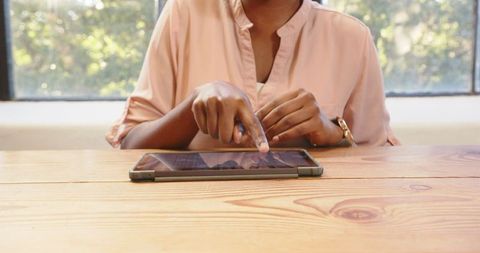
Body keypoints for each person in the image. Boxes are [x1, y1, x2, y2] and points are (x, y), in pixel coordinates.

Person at [106, 0, 399, 152]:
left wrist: (330, 132)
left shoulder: (351, 38)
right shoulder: (184, 12)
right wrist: (192, 107)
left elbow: (376, 159)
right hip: (194, 219)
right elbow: (130, 143)